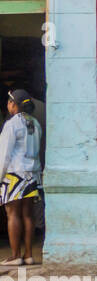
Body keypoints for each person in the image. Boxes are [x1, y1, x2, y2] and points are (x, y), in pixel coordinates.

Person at [0, 90, 42, 267]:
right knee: (28, 215)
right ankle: (28, 255)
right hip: (32, 174)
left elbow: (4, 155)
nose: (8, 105)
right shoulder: (35, 123)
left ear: (15, 104)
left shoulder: (12, 125)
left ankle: (15, 255)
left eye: (10, 102)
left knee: (13, 214)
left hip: (14, 175)